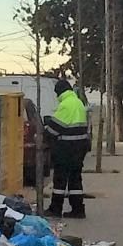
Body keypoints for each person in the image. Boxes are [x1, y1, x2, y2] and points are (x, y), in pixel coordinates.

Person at [43, 79, 91, 219]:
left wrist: (45, 132)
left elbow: (55, 129)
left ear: (59, 92)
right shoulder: (77, 103)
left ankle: (55, 208)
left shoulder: (66, 105)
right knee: (75, 179)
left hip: (66, 149)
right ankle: (78, 209)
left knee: (60, 179)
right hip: (79, 148)